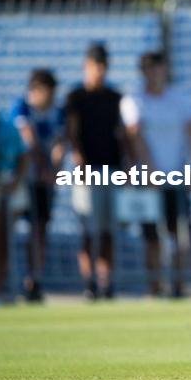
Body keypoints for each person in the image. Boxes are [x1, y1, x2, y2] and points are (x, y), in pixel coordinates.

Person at [121, 51, 191, 297]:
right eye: (151, 69)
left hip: (177, 179)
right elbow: (136, 137)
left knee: (181, 235)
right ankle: (155, 287)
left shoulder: (180, 99)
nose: (157, 74)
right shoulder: (134, 101)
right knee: (152, 237)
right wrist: (150, 171)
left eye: (160, 68)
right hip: (147, 181)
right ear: (144, 72)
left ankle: (179, 286)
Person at [65, 43, 125, 300]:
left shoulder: (114, 97)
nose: (98, 71)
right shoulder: (76, 97)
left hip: (112, 168)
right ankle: (89, 282)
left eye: (102, 66)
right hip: (88, 171)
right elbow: (72, 132)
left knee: (108, 230)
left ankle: (106, 280)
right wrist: (80, 164)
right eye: (94, 66)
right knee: (88, 230)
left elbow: (122, 134)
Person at [9, 69, 64, 302]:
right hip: (17, 181)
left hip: (43, 183)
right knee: (5, 230)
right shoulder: (21, 107)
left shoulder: (57, 112)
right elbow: (29, 142)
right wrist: (44, 168)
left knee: (39, 230)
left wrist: (53, 172)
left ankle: (34, 279)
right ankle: (3, 283)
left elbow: (60, 143)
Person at [0, 98, 28, 303]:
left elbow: (23, 157)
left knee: (2, 240)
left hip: (5, 188)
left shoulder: (6, 128)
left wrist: (14, 181)